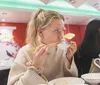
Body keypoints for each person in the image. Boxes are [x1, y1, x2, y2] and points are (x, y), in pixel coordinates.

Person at [7, 9, 78, 85]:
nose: (61, 37)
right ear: (40, 32)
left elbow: (73, 79)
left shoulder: (62, 50)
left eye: (62, 31)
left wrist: (69, 58)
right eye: (56, 31)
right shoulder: (25, 52)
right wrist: (35, 67)